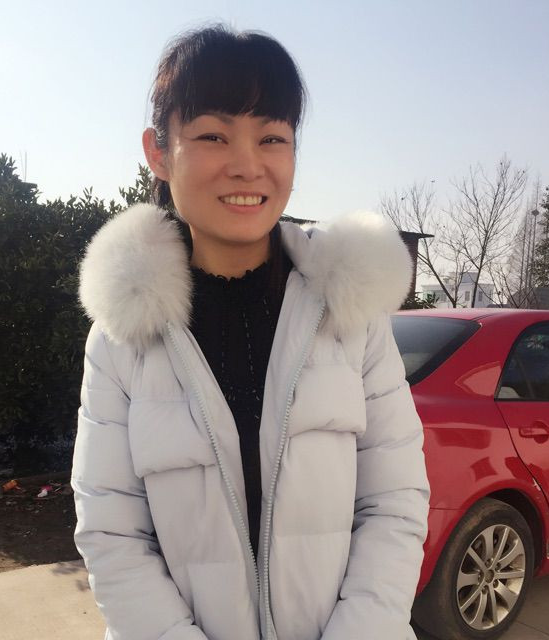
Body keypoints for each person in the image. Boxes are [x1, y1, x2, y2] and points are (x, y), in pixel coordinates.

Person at [72, 23, 430, 640]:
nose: (247, 165)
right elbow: (111, 533)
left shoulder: (350, 313)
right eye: (213, 135)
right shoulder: (122, 338)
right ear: (159, 152)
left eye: (272, 138)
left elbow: (395, 505)